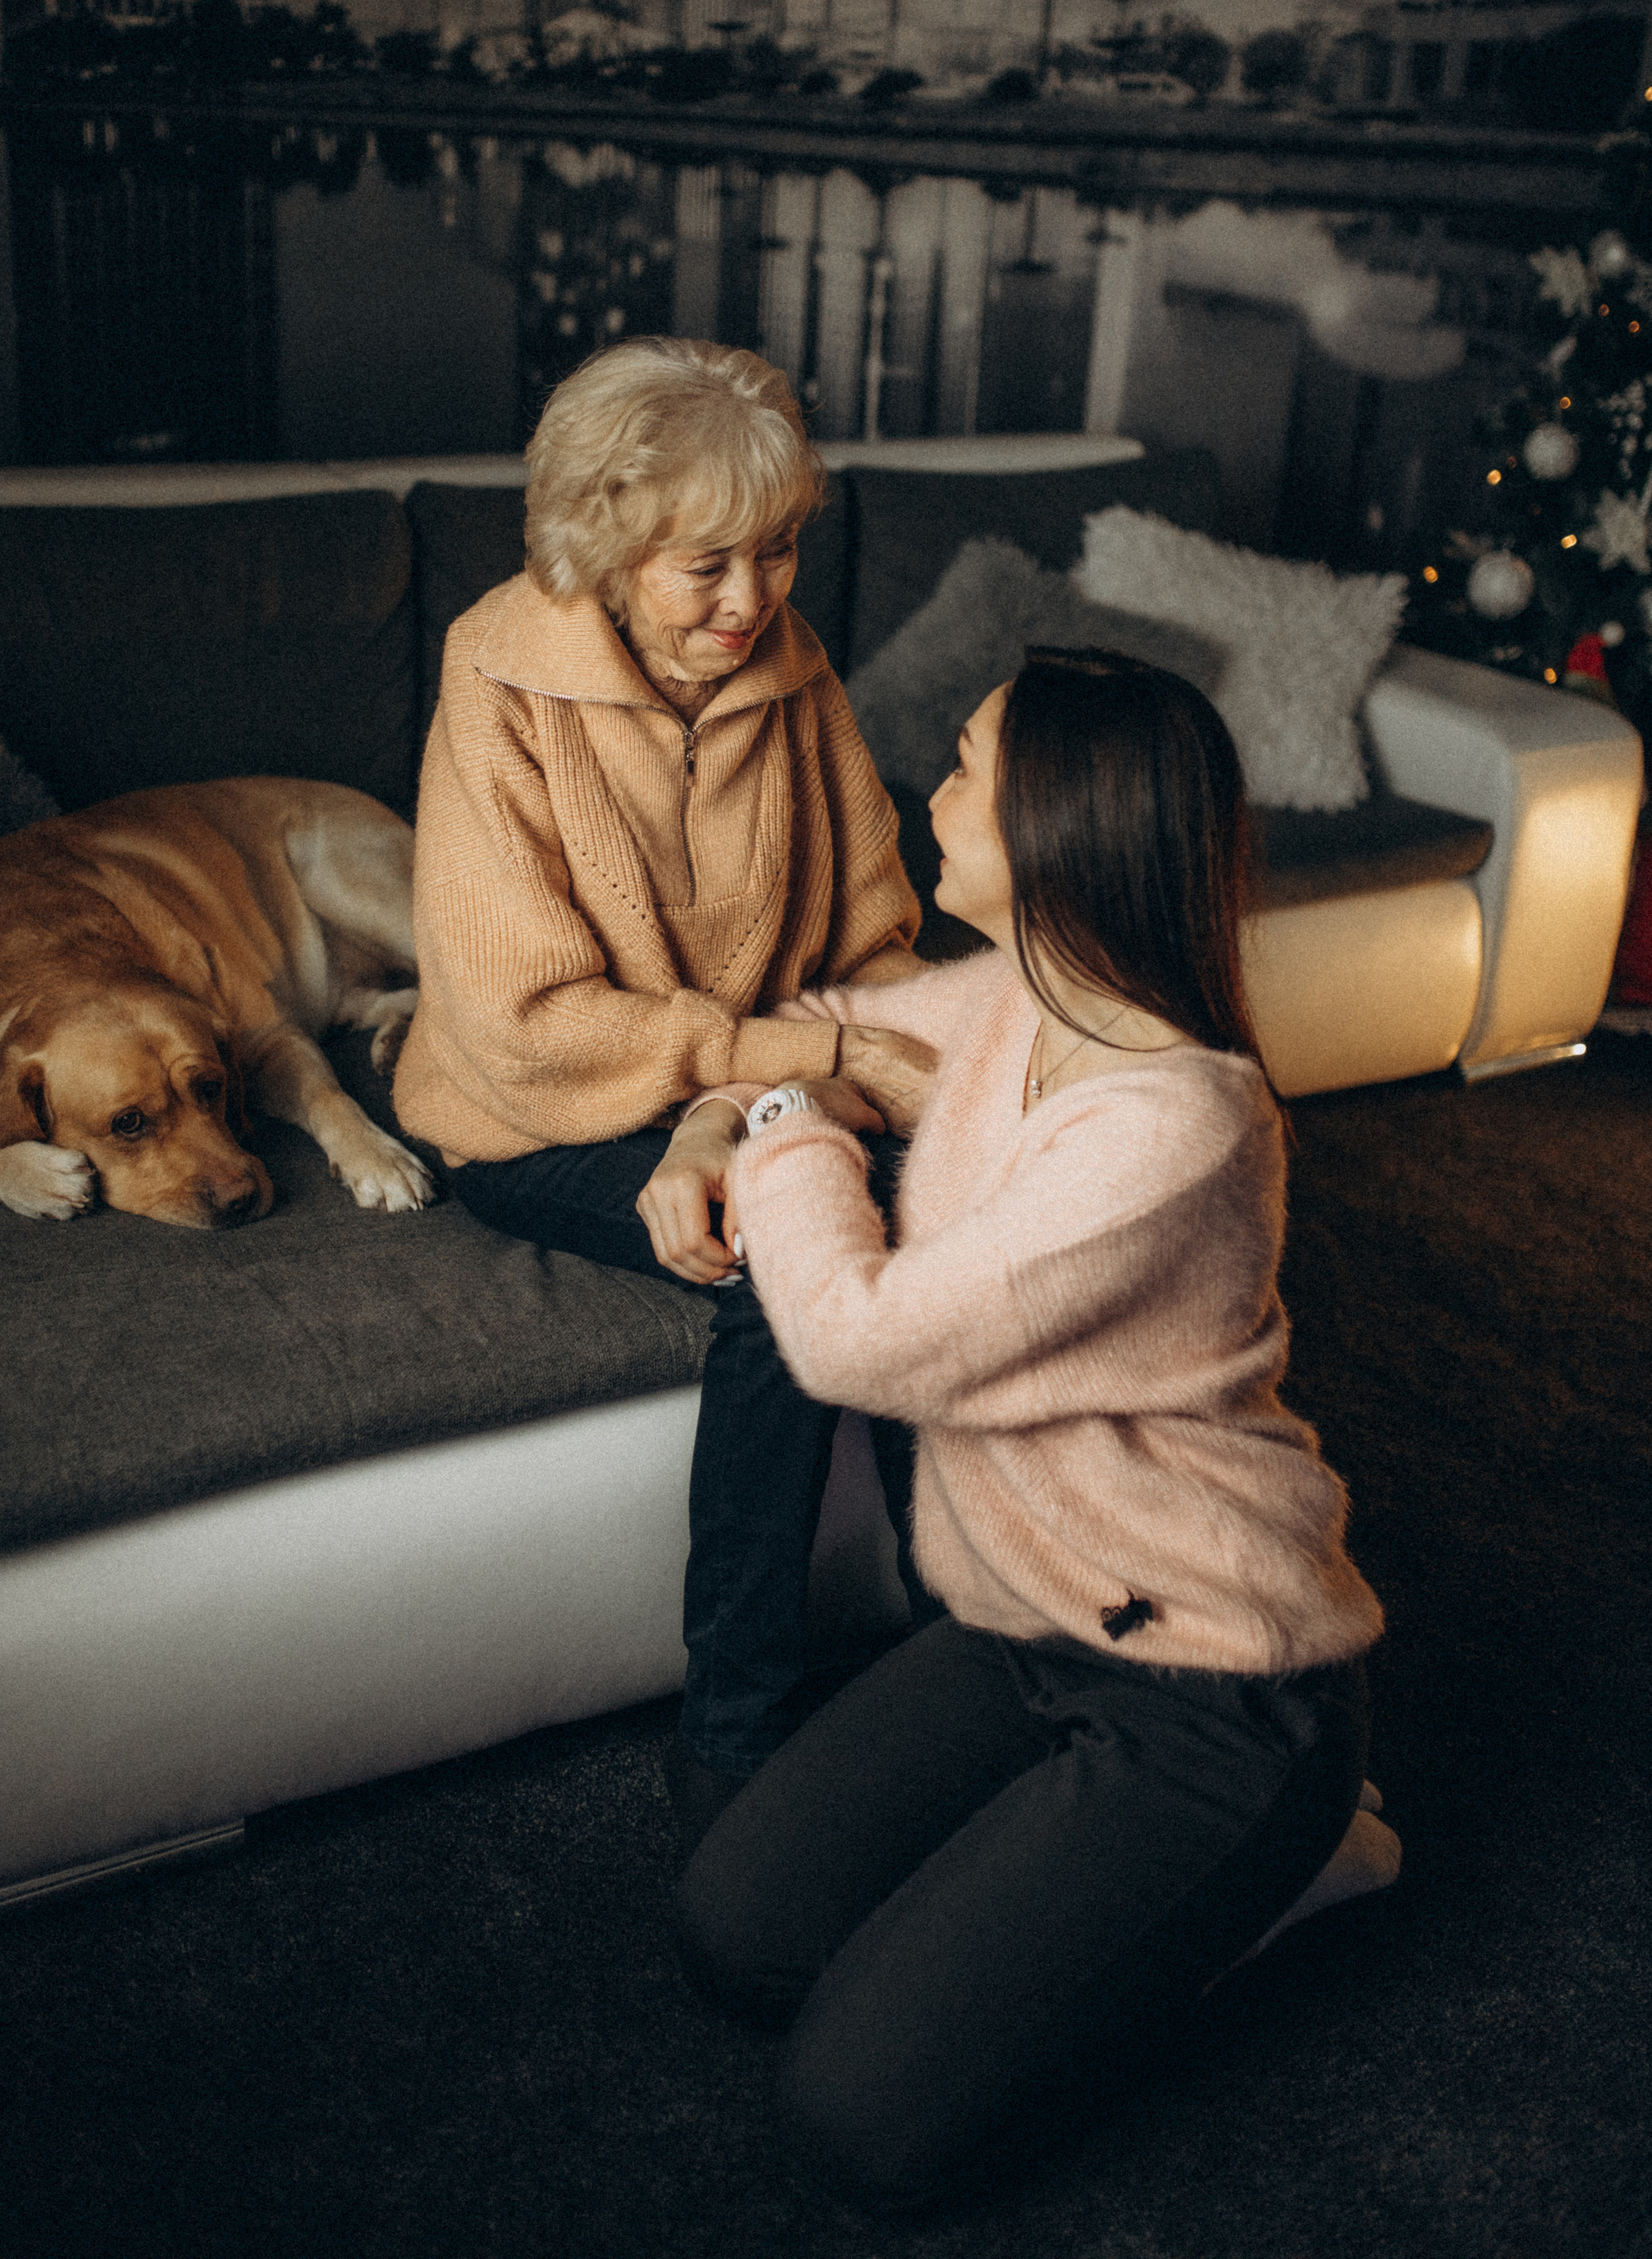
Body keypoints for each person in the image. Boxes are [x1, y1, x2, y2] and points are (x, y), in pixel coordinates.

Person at [669, 649, 1398, 2213]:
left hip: (1213, 1684)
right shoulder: (1009, 1000)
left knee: (853, 2128)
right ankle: (1126, 1891)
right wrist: (704, 1123)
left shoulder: (1174, 1121)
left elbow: (856, 1340)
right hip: (1021, 1627)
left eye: (965, 764)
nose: (929, 784)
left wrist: (784, 1124)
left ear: (1059, 819)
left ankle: (1292, 1858)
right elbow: (810, 1020)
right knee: (735, 1936)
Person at [392, 337, 934, 1833]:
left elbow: (876, 937)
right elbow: (528, 1025)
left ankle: (988, 1642)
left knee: (923, 1202)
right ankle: (734, 1737)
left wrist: (789, 1088)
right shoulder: (497, 681)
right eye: (704, 565)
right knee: (785, 1261)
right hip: (530, 1113)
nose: (750, 602)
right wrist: (795, 1066)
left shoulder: (789, 668)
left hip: (727, 1083)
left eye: (775, 553)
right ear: (605, 547)